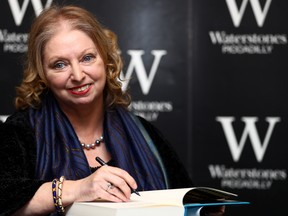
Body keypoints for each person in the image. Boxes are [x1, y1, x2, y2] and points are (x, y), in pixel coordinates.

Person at [0, 4, 224, 216]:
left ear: (106, 60)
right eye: (60, 64)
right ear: (42, 74)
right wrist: (78, 189)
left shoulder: (145, 134)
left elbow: (184, 199)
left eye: (87, 58)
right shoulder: (21, 132)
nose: (77, 75)